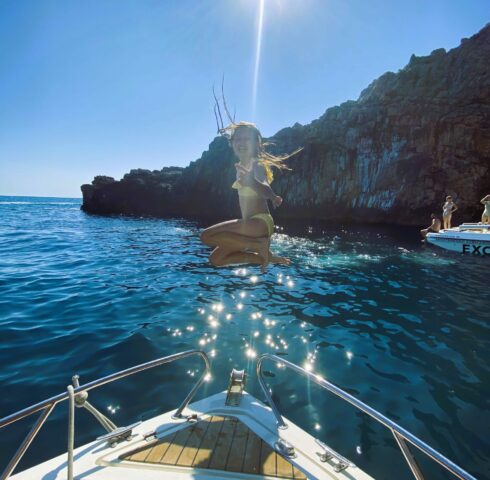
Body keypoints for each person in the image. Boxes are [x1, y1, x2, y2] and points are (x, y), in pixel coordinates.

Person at [200, 121, 300, 271]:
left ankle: (258, 245)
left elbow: (265, 188)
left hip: (259, 222)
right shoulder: (241, 166)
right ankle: (263, 257)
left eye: (246, 139)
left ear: (256, 143)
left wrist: (262, 189)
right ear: (232, 143)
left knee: (206, 236)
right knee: (216, 259)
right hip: (249, 225)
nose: (241, 142)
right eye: (238, 139)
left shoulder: (256, 165)